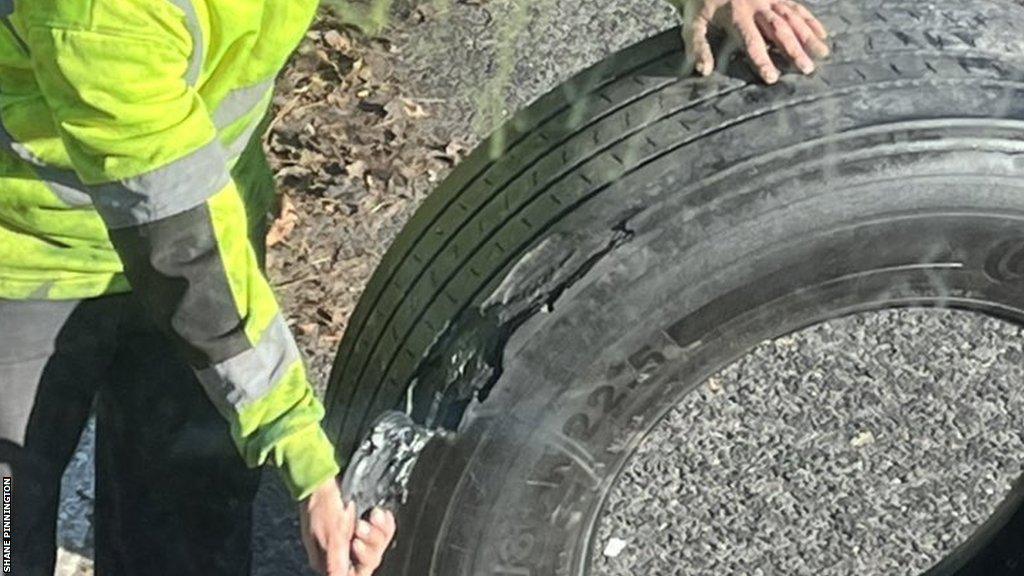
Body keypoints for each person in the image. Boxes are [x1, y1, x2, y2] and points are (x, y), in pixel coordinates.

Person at [0, 0, 827, 575]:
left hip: (207, 230)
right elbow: (182, 256)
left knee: (185, 518)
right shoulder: (102, 17)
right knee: (9, 523)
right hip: (25, 264)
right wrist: (305, 456)